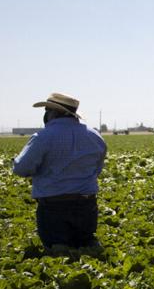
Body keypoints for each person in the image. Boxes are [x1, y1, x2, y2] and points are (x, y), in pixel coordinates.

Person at [12, 93, 107, 251]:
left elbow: (22, 169)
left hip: (53, 207)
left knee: (58, 249)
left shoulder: (42, 137)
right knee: (86, 244)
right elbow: (97, 169)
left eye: (47, 111)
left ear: (53, 113)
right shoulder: (95, 136)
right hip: (86, 205)